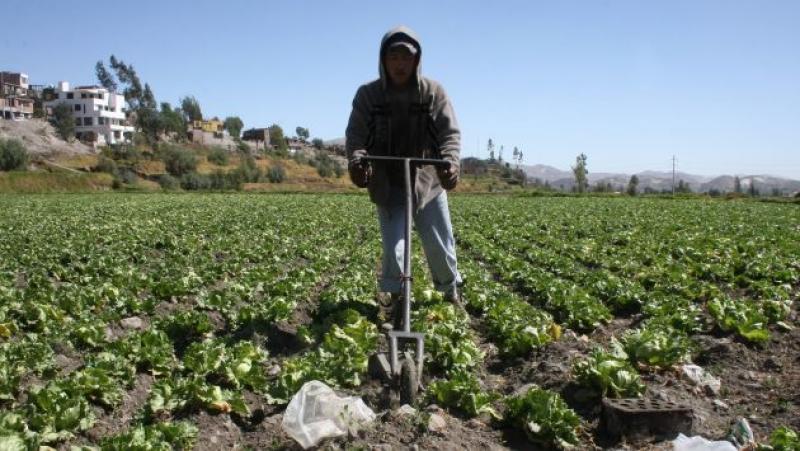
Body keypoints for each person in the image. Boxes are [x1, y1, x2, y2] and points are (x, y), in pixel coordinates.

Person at [345, 25, 462, 310]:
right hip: (388, 182)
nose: (400, 64)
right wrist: (358, 161)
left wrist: (450, 162)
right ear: (383, 60)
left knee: (439, 247)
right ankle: (398, 300)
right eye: (394, 57)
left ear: (416, 60)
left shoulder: (432, 92)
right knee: (395, 249)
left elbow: (449, 134)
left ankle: (450, 295)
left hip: (427, 182)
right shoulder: (368, 96)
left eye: (406, 57)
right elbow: (356, 135)